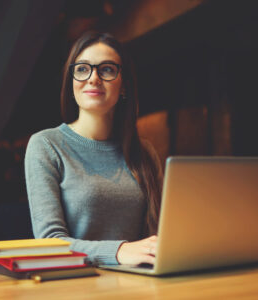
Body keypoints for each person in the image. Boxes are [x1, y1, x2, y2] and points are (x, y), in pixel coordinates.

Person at [24, 31, 162, 266]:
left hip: (139, 282)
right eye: (82, 69)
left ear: (124, 85)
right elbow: (49, 243)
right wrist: (118, 251)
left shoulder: (145, 152)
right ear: (72, 82)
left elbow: (159, 232)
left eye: (107, 69)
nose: (93, 78)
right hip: (75, 286)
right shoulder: (46, 145)